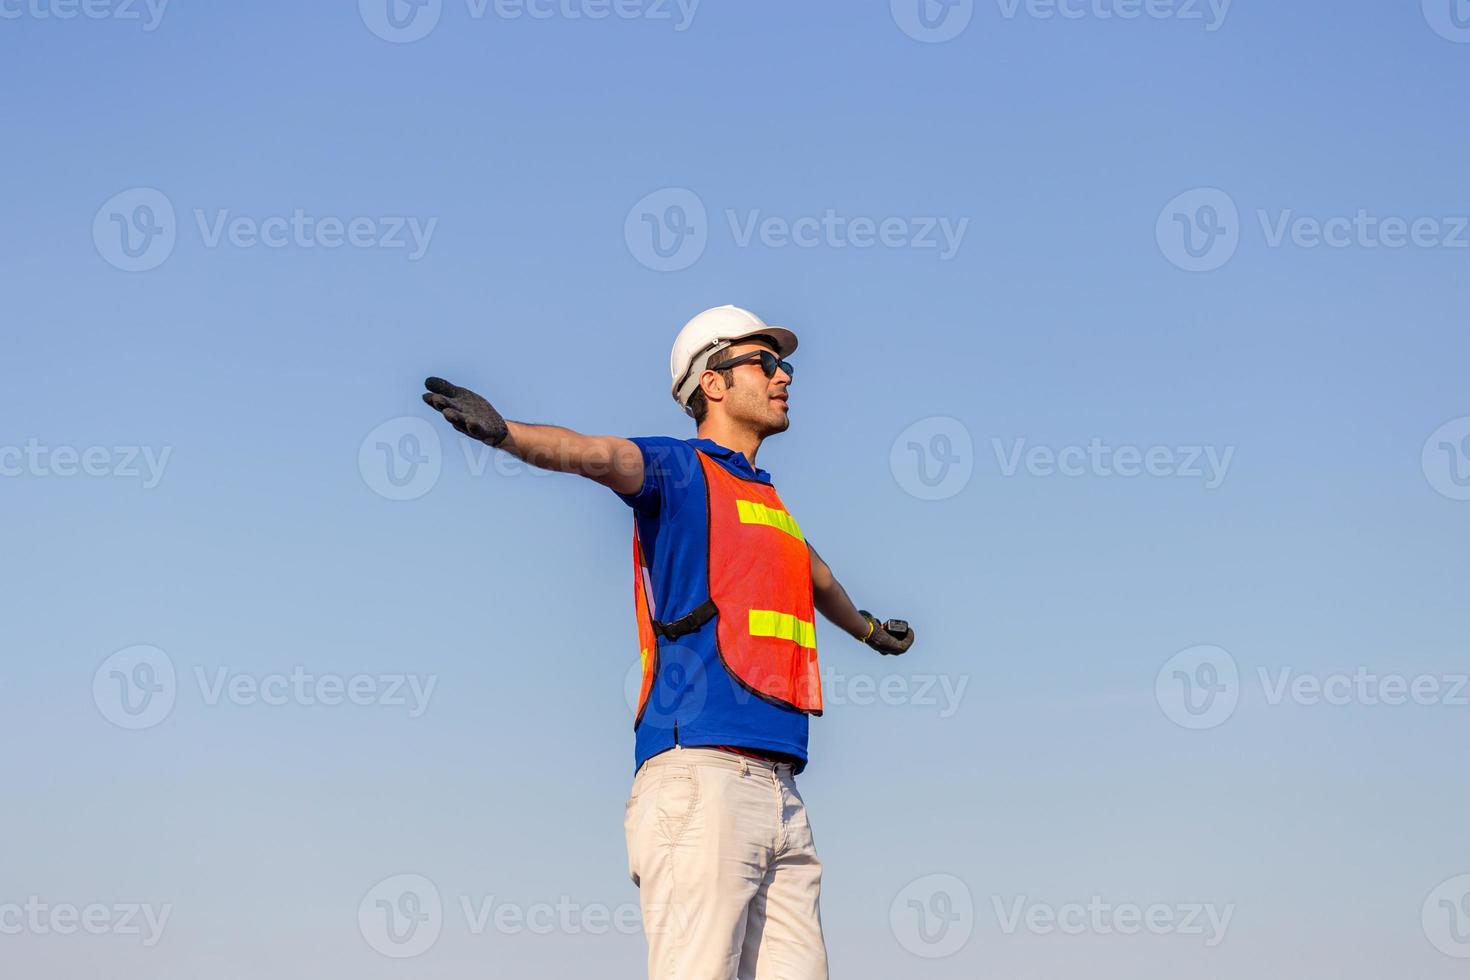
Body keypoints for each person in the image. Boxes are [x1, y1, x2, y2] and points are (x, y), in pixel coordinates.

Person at [422, 304, 916, 980]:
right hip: (701, 777)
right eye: (765, 363)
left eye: (785, 366)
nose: (784, 377)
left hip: (780, 789)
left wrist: (866, 629)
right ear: (712, 383)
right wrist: (509, 435)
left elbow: (817, 575)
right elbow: (598, 455)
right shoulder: (680, 471)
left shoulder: (768, 505)